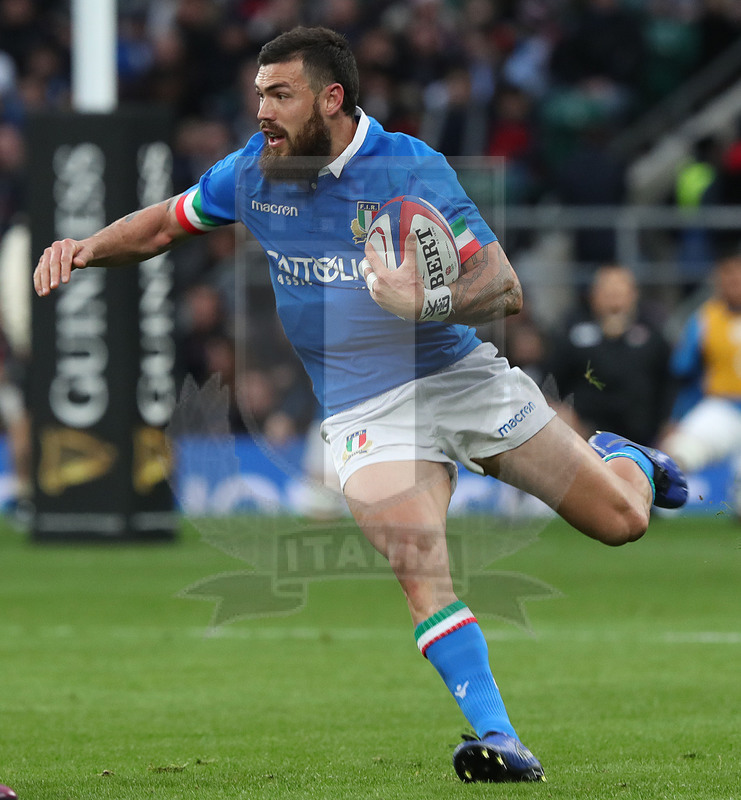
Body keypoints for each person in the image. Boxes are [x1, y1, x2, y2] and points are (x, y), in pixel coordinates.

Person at [33, 26, 688, 784]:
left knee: (621, 522)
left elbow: (503, 287)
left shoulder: (409, 168)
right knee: (415, 557)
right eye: (258, 94)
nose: (262, 111)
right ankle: (499, 738)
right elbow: (162, 225)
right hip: (363, 409)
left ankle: (624, 458)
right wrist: (84, 247)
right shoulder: (254, 172)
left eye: (279, 94)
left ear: (331, 97)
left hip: (459, 379)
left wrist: (425, 298)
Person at [545, 264, 674, 445]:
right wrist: (562, 414)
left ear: (633, 295)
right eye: (608, 294)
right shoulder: (573, 335)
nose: (614, 302)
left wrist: (668, 424)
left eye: (619, 293)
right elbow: (549, 384)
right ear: (593, 296)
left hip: (643, 435)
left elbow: (669, 384)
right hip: (584, 435)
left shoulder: (652, 336)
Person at [661, 247, 741, 513]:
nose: (735, 284)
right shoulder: (705, 318)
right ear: (718, 281)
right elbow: (683, 374)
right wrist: (675, 418)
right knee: (677, 453)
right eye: (729, 278)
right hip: (723, 406)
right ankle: (652, 502)